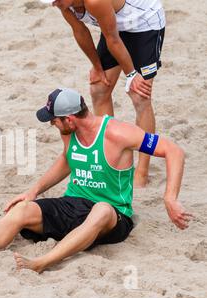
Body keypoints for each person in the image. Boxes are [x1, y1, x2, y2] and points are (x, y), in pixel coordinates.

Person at [0, 88, 191, 273]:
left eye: (54, 120)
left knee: (102, 209)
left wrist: (170, 198)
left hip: (113, 215)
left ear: (69, 119)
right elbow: (67, 160)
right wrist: (33, 191)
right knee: (23, 208)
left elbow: (174, 151)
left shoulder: (117, 133)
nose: (52, 124)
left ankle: (42, 262)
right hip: (73, 205)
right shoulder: (69, 133)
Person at [47, 0, 166, 187]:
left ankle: (142, 171)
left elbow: (112, 38)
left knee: (139, 96)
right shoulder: (65, 5)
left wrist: (132, 75)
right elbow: (80, 31)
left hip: (144, 24)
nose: (54, 3)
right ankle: (109, 155)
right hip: (115, 28)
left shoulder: (95, 1)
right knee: (99, 88)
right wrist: (96, 66)